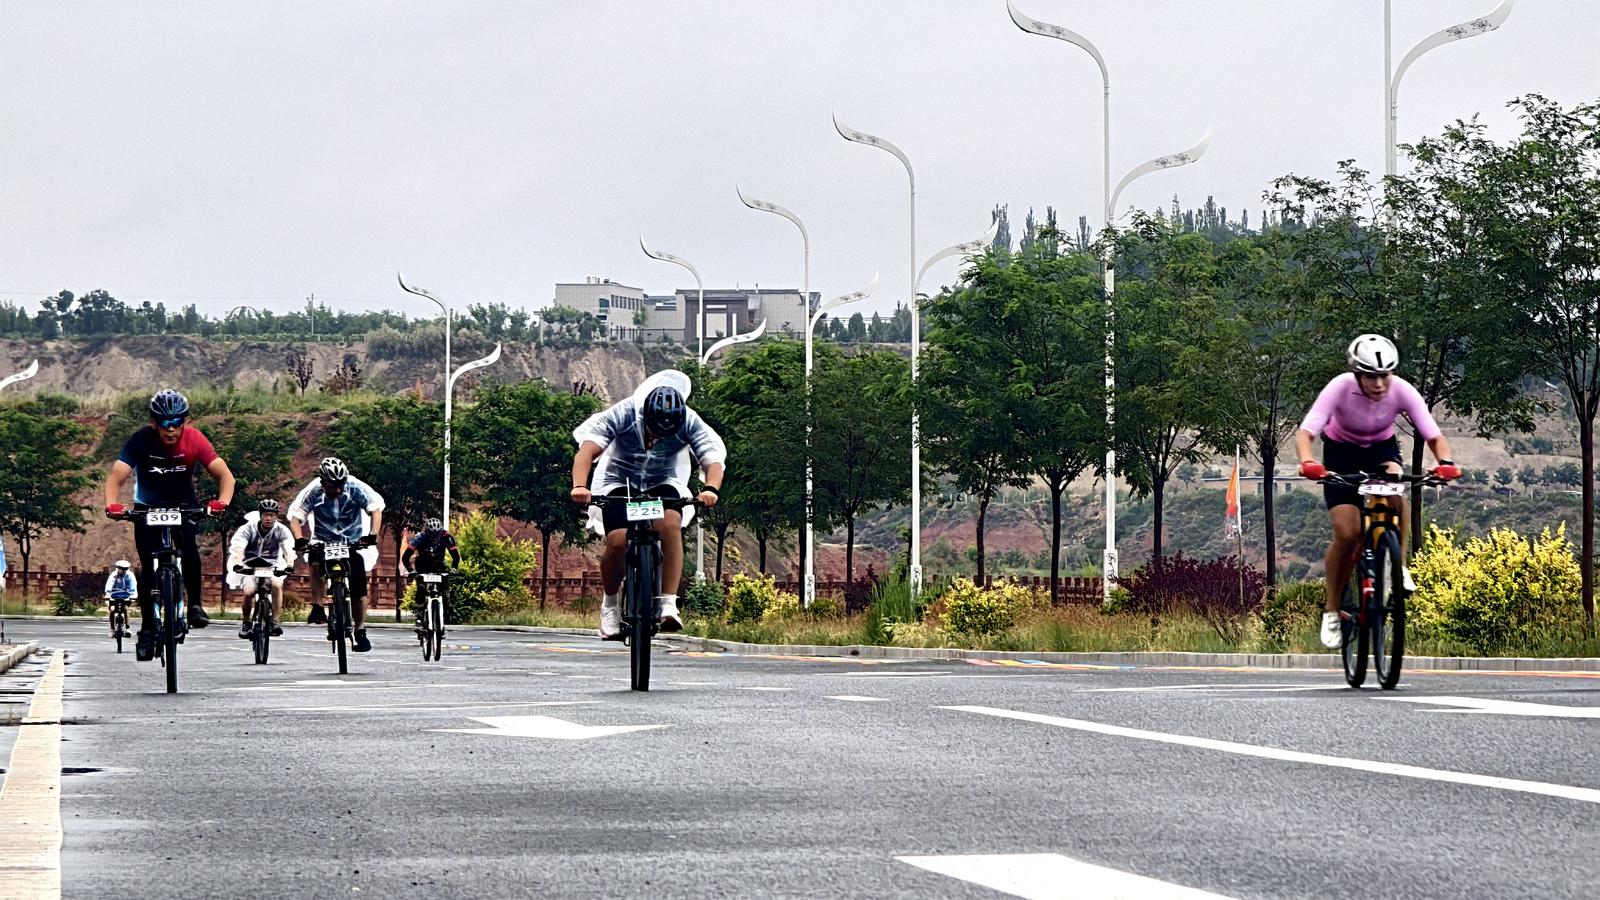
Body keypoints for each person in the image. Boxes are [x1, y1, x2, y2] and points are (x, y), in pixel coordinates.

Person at [1296, 334, 1461, 650]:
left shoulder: (1402, 390)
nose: (1379, 383)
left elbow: (1433, 435)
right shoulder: (1339, 387)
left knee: (1396, 493)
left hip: (1381, 451)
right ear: (1357, 374)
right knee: (1348, 533)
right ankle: (1332, 609)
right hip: (1341, 454)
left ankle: (1397, 566)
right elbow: (1306, 432)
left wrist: (1446, 462)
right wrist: (1308, 461)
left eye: (1385, 375)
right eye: (1371, 376)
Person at [569, 370, 725, 639]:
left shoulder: (689, 420)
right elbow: (587, 450)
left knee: (670, 523)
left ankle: (668, 603)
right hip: (618, 479)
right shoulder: (625, 413)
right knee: (617, 540)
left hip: (664, 479)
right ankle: (610, 606)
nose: (657, 439)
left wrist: (710, 489)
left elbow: (712, 458)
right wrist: (580, 486)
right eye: (654, 431)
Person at [103, 389, 234, 661]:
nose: (171, 429)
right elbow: (116, 477)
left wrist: (222, 502)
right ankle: (147, 629)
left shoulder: (195, 439)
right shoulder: (141, 440)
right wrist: (112, 504)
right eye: (164, 423)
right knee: (147, 568)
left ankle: (195, 605)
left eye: (176, 423)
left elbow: (226, 476)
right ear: (154, 423)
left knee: (190, 550)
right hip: (147, 507)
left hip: (182, 505)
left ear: (185, 422)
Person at [287, 457, 385, 652]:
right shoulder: (313, 491)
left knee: (359, 588)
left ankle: (360, 630)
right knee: (315, 562)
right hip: (323, 542)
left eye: (341, 485)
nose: (338, 490)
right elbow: (296, 518)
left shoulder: (355, 487)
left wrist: (372, 535)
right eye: (333, 486)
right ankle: (317, 607)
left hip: (352, 542)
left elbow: (375, 510)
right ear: (323, 483)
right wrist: (299, 539)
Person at [227, 499, 295, 639]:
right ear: (260, 515)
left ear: (276, 516)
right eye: (265, 515)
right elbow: (239, 547)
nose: (268, 518)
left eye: (272, 515)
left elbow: (288, 549)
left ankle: (274, 622)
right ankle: (246, 622)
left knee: (276, 585)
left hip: (273, 565)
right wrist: (238, 564)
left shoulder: (282, 530)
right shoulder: (248, 528)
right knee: (249, 591)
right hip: (249, 564)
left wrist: (289, 565)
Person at [402, 517, 460, 631]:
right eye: (431, 536)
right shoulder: (420, 537)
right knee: (421, 590)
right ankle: (419, 618)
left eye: (437, 536)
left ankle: (443, 615)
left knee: (445, 591)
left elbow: (455, 555)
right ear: (427, 532)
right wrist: (411, 570)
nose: (434, 539)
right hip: (422, 566)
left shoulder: (446, 536)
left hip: (439, 565)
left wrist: (454, 568)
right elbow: (405, 557)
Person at [102, 559, 137, 639]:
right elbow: (109, 585)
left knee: (125, 608)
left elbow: (133, 586)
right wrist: (108, 594)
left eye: (124, 569)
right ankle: (112, 629)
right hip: (114, 596)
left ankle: (127, 628)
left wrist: (133, 595)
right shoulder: (113, 575)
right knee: (112, 610)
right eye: (120, 568)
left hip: (126, 596)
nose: (121, 570)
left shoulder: (130, 575)